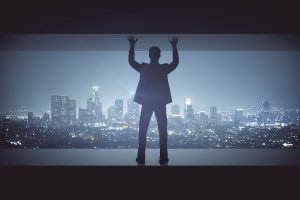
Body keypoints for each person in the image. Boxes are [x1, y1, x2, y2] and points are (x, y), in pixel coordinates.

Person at [127, 35, 179, 164]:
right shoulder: (163, 68)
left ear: (150, 55)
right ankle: (163, 156)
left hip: (147, 103)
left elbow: (131, 61)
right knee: (162, 129)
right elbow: (175, 62)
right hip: (160, 103)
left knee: (143, 128)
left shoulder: (144, 68)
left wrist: (132, 46)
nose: (155, 54)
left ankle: (141, 156)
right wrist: (174, 47)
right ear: (159, 55)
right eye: (155, 53)